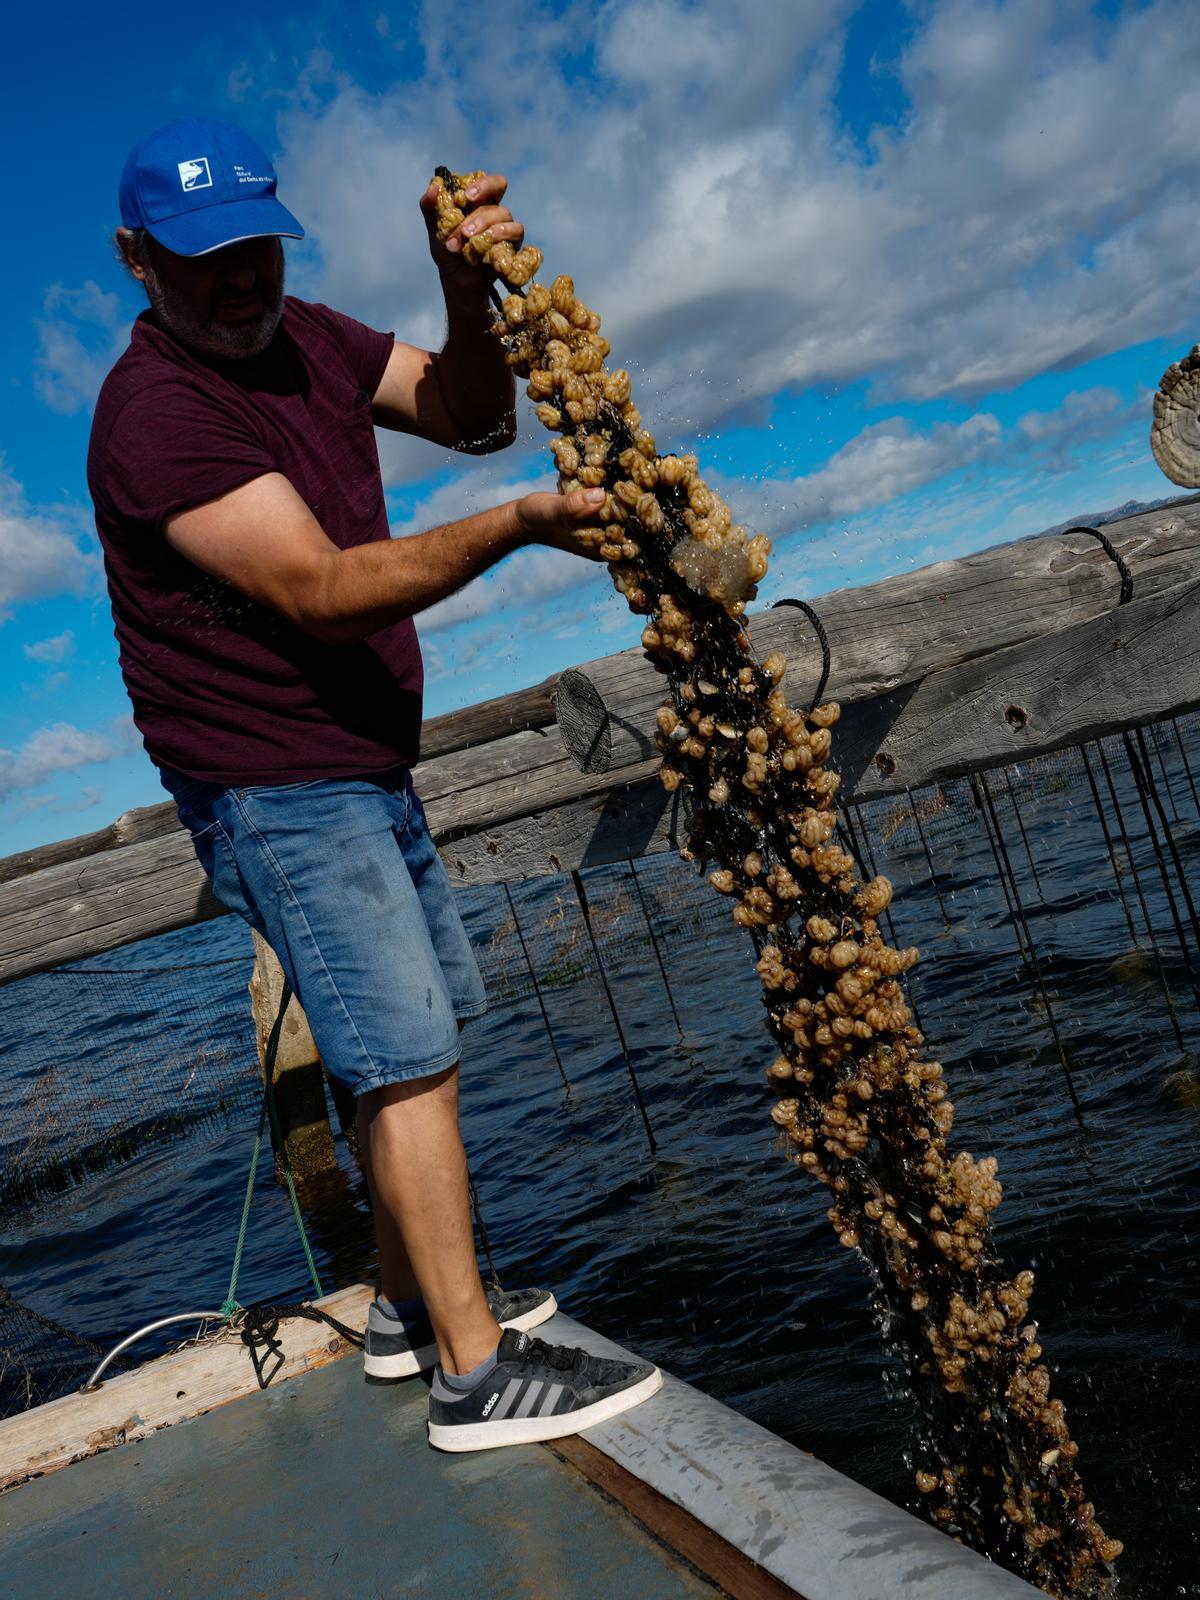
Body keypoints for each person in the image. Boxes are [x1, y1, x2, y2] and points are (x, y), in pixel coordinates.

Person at [88, 116, 661, 1451]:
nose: (237, 282)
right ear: (135, 261)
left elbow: (469, 413)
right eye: (198, 260)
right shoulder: (155, 415)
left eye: (252, 250)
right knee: (404, 1059)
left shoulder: (310, 336)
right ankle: (474, 1374)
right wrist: (522, 523)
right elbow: (325, 590)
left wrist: (460, 281)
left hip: (360, 762)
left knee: (422, 1027)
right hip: (273, 784)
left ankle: (409, 1310)